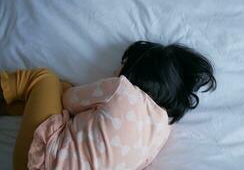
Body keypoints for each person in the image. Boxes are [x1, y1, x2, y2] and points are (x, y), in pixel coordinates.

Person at [0, 40, 216, 170]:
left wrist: (64, 88)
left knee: (46, 80)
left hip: (40, 160)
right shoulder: (160, 133)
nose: (115, 71)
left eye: (121, 66)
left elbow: (69, 100)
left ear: (135, 71)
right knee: (45, 98)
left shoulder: (121, 90)